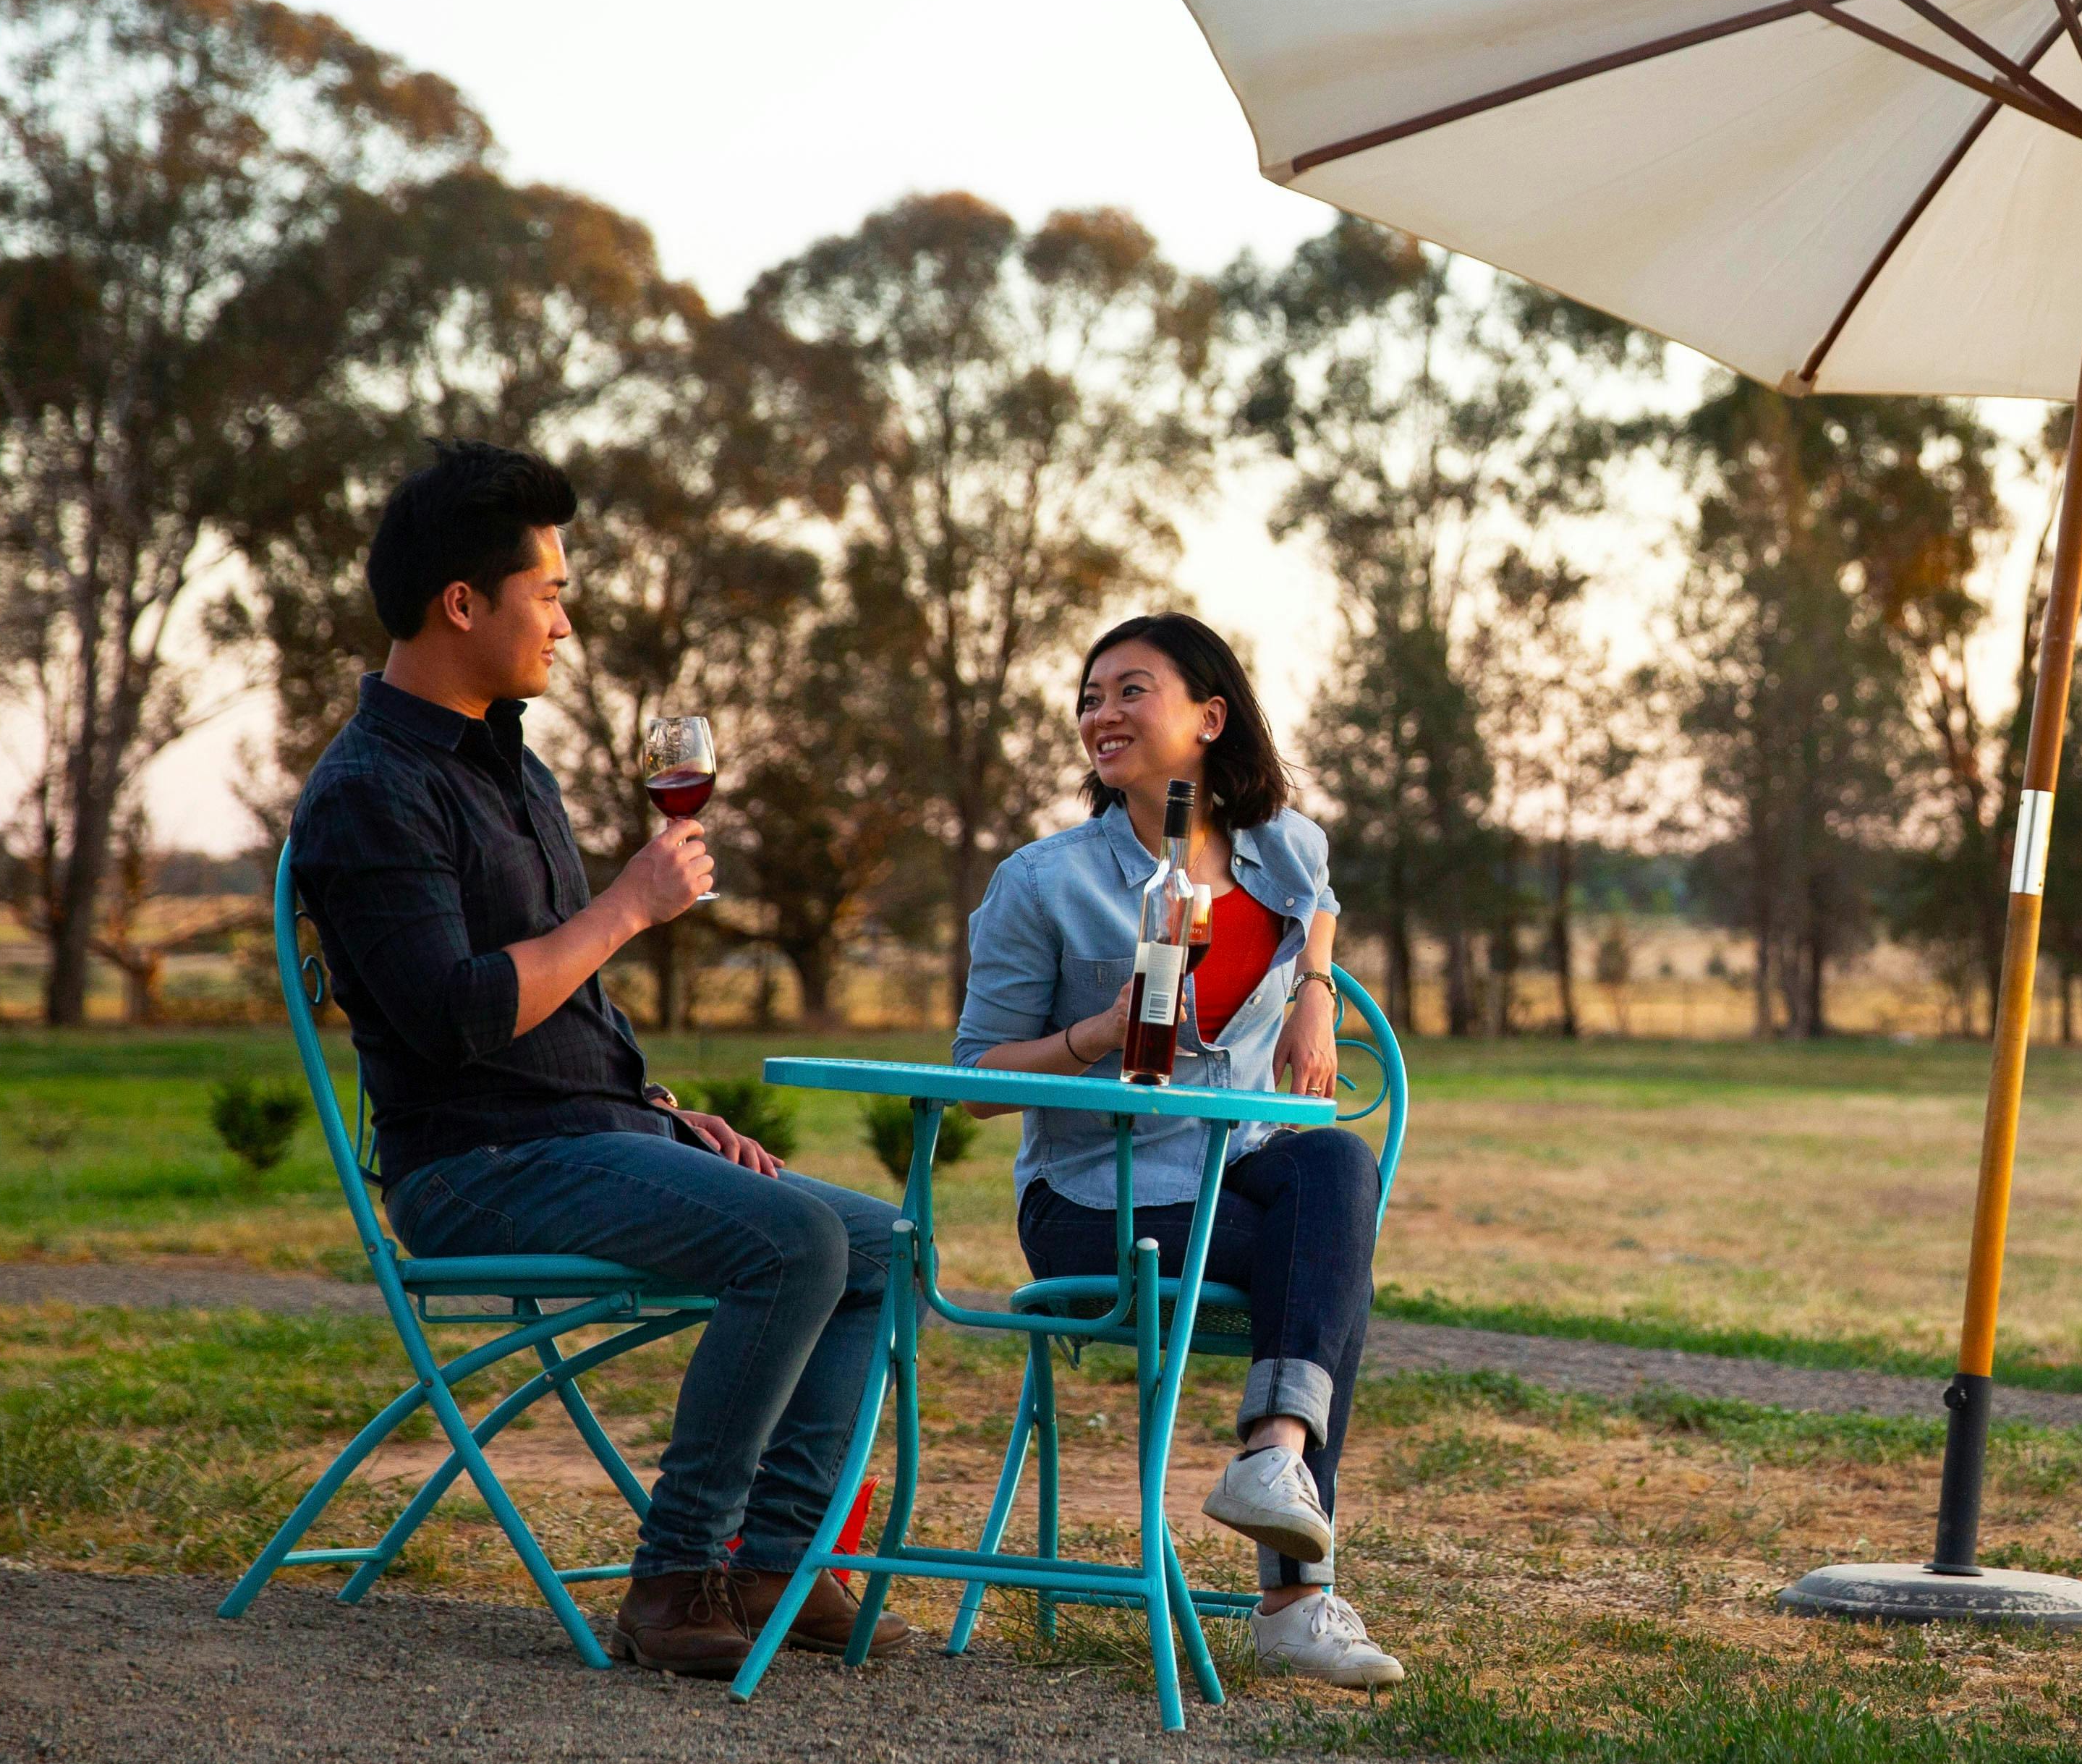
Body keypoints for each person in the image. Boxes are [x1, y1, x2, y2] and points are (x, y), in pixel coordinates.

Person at [289, 441, 914, 1679]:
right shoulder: (371, 791)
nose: (566, 625)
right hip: (475, 1167)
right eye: (551, 595)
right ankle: (675, 1580)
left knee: (883, 1242)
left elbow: (566, 1003)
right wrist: (629, 905)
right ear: (461, 603)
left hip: (583, 1136)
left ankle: (780, 1563)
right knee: (796, 1244)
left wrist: (662, 1112)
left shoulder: (516, 766)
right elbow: (457, 1018)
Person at [955, 612, 1400, 1690]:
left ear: (1208, 717)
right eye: (1090, 696)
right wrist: (1097, 1035)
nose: (1099, 713)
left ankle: (1274, 1459)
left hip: (1236, 1166)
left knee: (1338, 1167)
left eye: (1130, 690)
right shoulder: (1043, 881)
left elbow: (1319, 902)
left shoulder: (1283, 843)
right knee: (1325, 1261)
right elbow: (974, 1080)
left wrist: (1315, 989)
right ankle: (1295, 1596)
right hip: (1094, 1199)